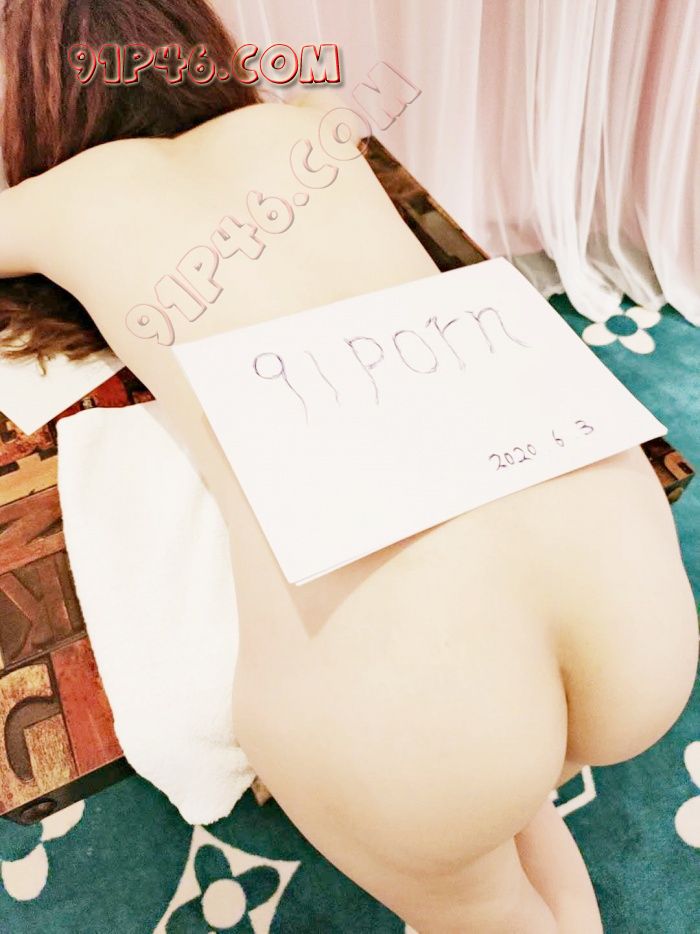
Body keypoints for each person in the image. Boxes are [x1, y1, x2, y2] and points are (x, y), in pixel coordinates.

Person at [0, 2, 696, 931]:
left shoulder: (60, 199)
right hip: (633, 598)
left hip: (404, 719)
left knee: (476, 861)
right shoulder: (315, 119)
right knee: (498, 768)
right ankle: (512, 765)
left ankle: (496, 788)